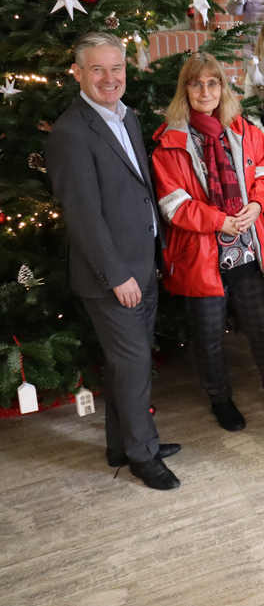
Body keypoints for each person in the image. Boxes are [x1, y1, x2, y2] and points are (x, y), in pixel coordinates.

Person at [46, 33, 180, 490]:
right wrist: (117, 274)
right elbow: (83, 217)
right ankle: (142, 455)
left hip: (142, 264)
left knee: (129, 365)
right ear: (79, 73)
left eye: (116, 68)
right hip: (112, 276)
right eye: (97, 70)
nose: (109, 78)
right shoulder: (69, 132)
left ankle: (122, 444)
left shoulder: (129, 118)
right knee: (135, 361)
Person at [150, 53, 264, 434]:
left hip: (247, 250)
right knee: (209, 339)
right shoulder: (169, 142)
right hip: (200, 257)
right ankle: (220, 400)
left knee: (263, 331)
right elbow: (174, 205)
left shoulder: (245, 129)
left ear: (223, 87)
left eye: (213, 83)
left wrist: (256, 204)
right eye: (197, 84)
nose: (206, 91)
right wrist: (219, 220)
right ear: (185, 89)